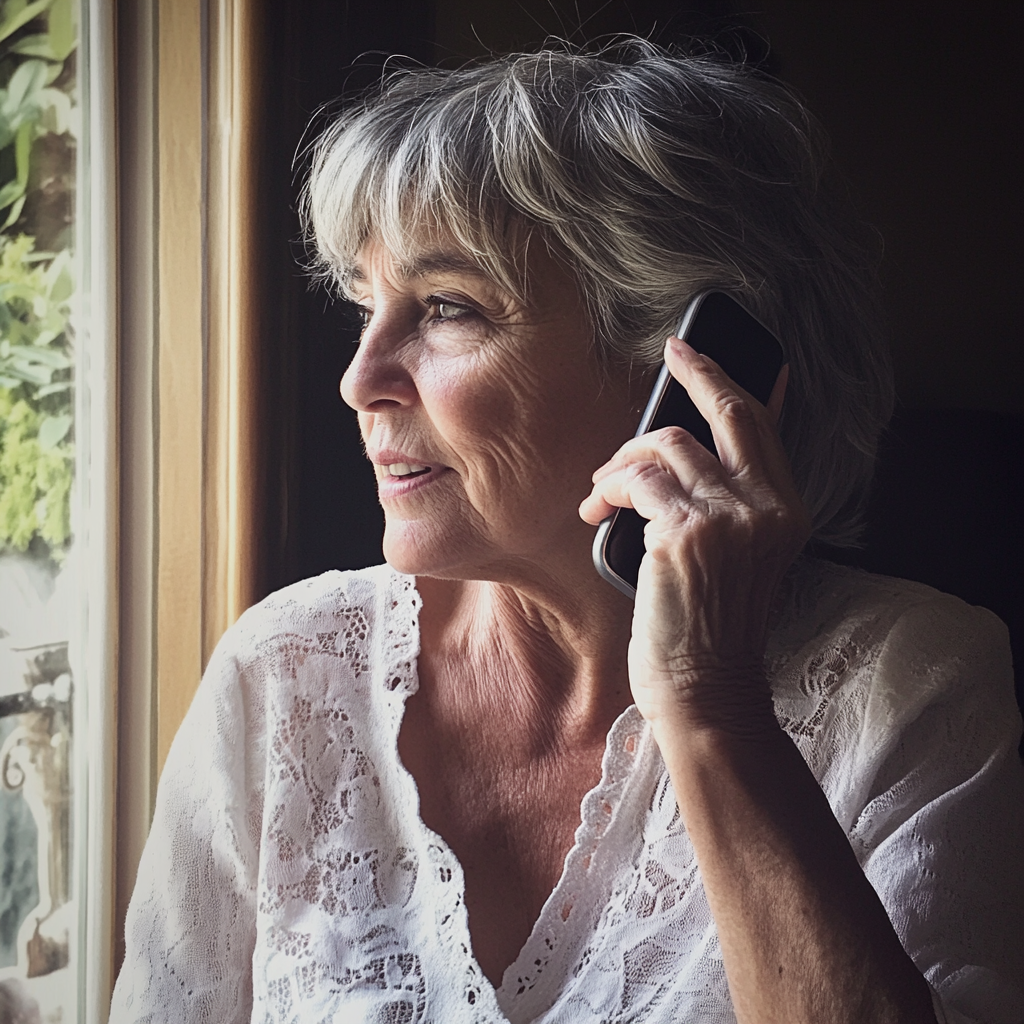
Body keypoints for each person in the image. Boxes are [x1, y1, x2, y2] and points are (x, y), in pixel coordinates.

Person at [109, 40, 1024, 1024]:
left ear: (683, 375)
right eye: (365, 309)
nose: (358, 379)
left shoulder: (911, 686)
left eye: (447, 309)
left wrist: (710, 702)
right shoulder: (285, 671)